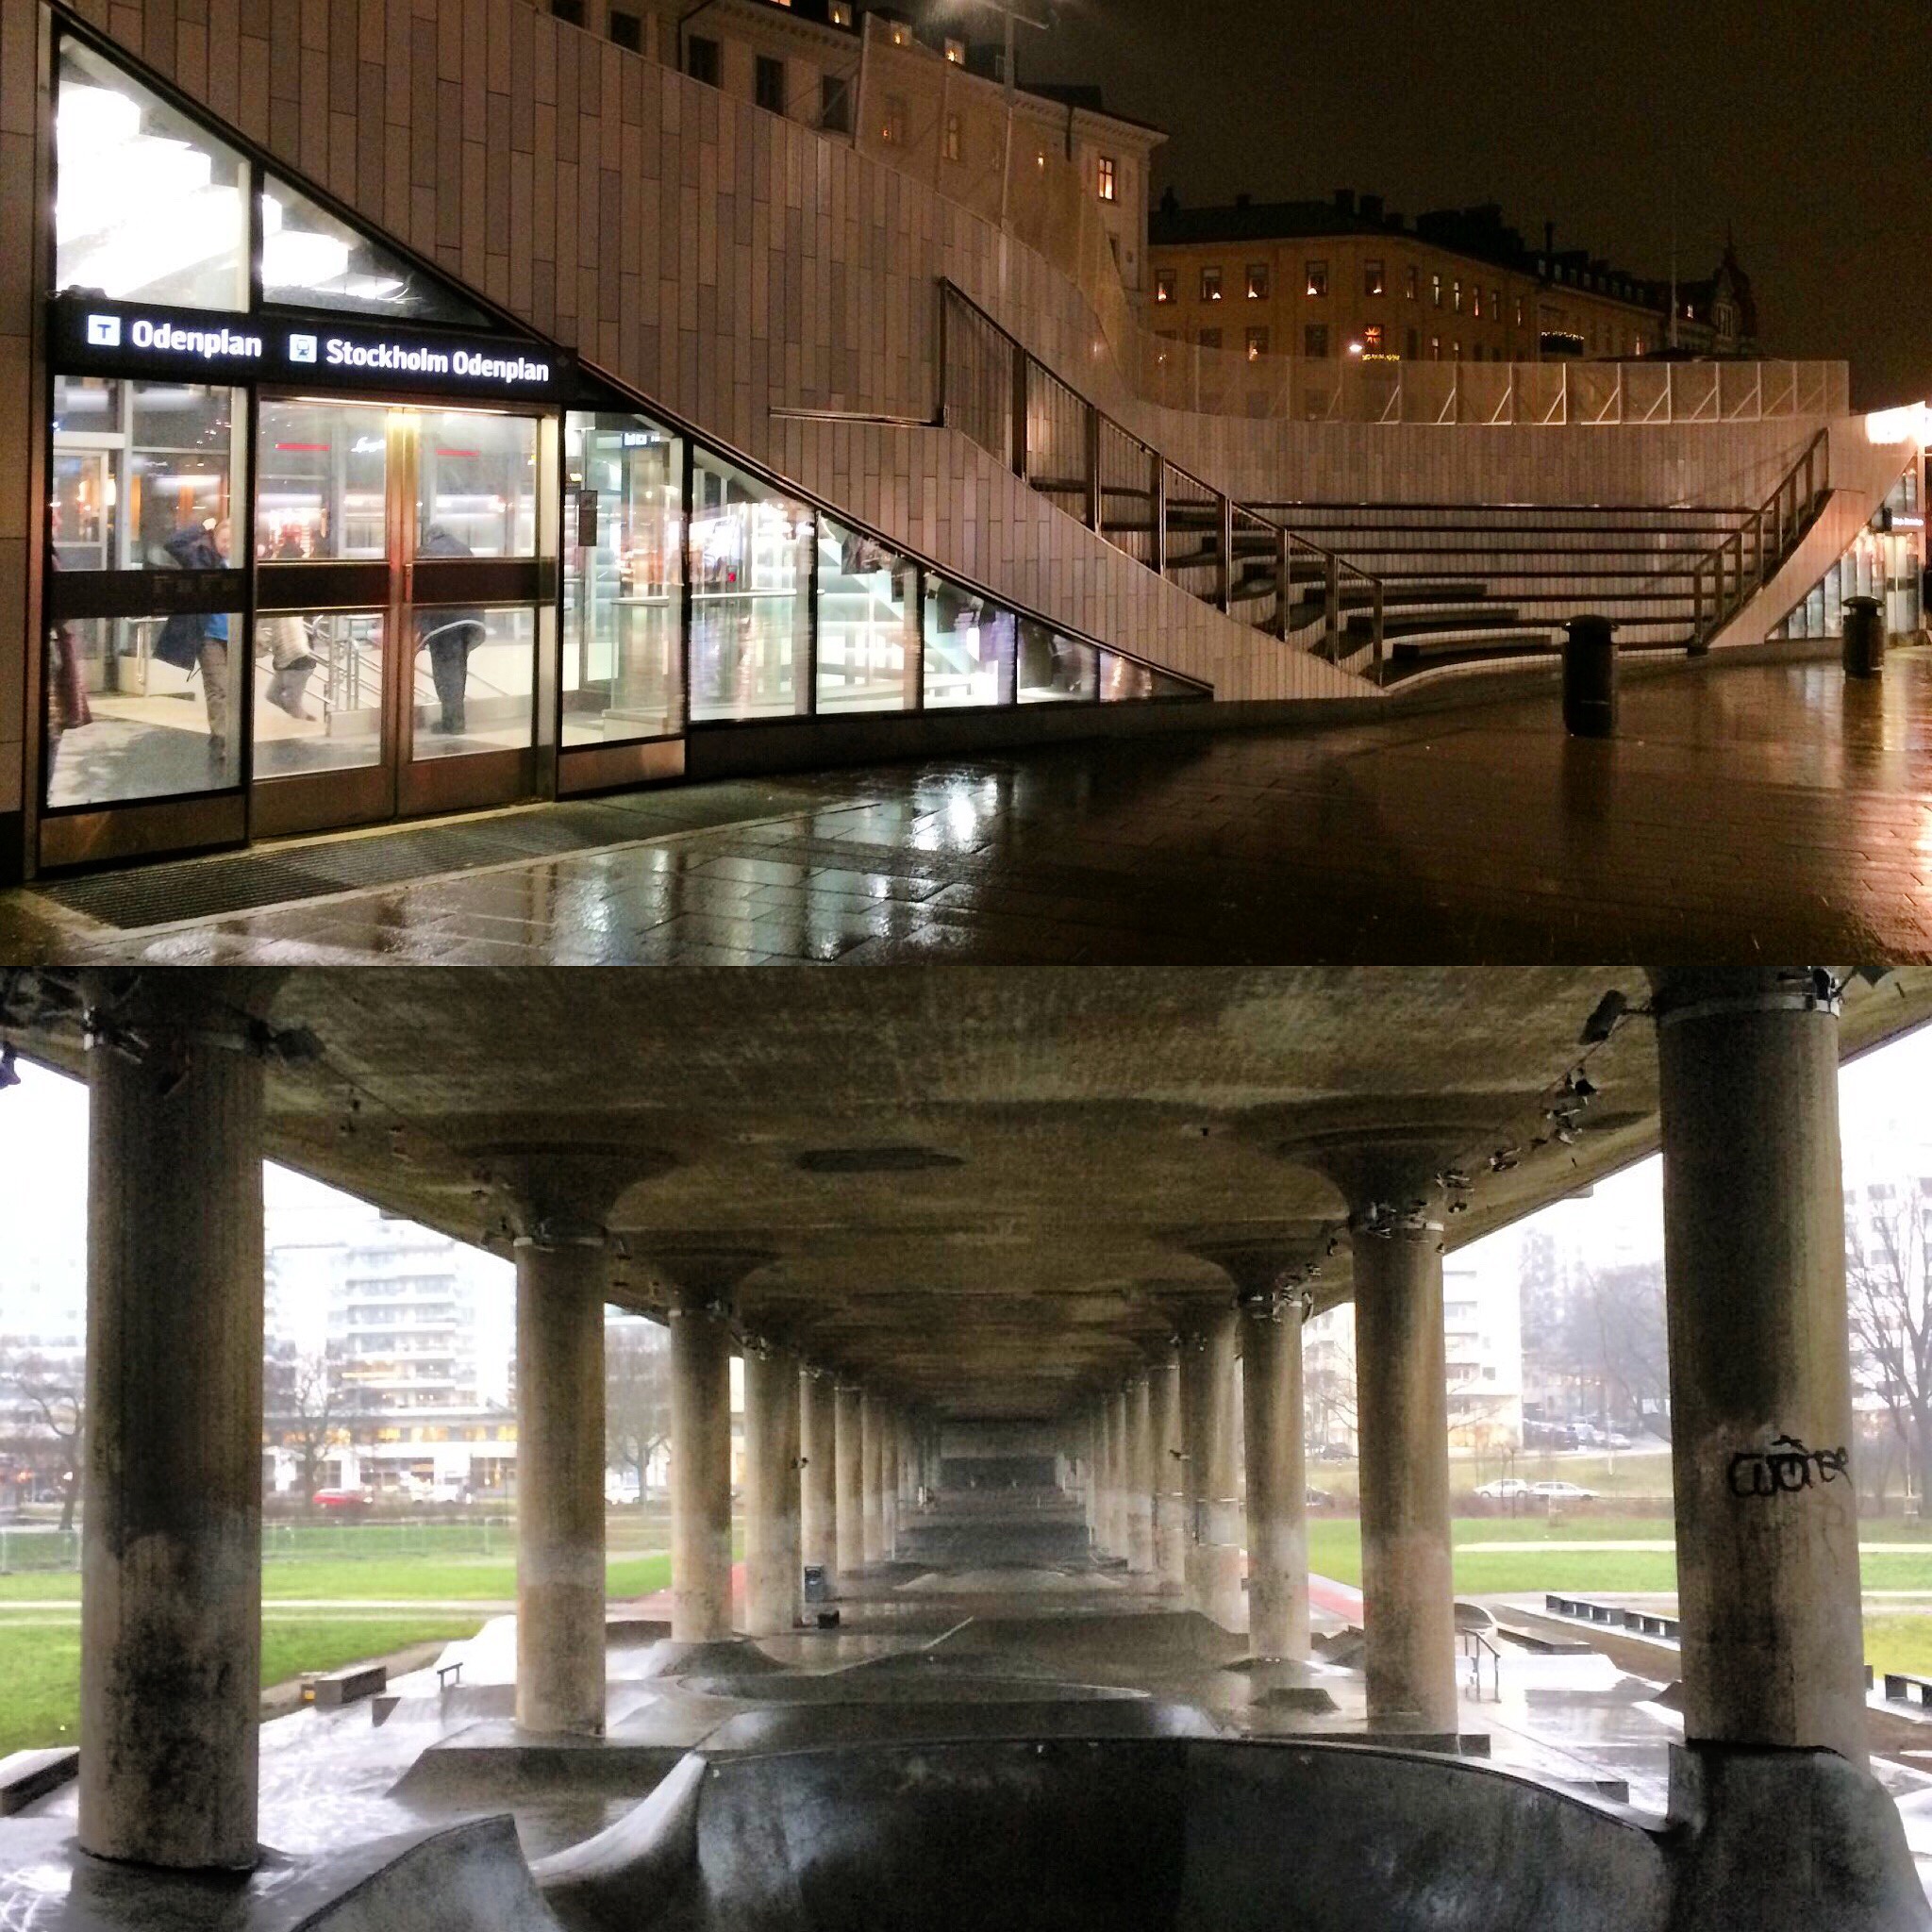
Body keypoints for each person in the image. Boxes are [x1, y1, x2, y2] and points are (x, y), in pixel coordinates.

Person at [155, 516, 232, 768]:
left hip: (236, 635)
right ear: (214, 538)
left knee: (234, 690)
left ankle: (232, 736)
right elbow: (172, 544)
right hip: (208, 635)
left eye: (233, 540)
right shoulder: (199, 557)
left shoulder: (243, 560)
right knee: (218, 687)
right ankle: (221, 738)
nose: (228, 545)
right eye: (224, 539)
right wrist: (202, 526)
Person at [414, 524, 486, 735]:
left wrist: (417, 625)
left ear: (429, 536)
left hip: (443, 622)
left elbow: (419, 588)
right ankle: (454, 719)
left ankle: (453, 723)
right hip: (469, 621)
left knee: (445, 674)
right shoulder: (465, 549)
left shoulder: (426, 552)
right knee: (458, 670)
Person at [258, 532, 319, 721]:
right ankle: (300, 718)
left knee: (291, 704)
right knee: (273, 696)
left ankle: (302, 724)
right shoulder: (288, 602)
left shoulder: (281, 605)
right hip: (292, 659)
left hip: (296, 659)